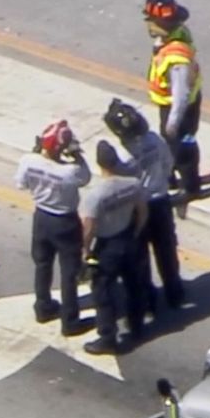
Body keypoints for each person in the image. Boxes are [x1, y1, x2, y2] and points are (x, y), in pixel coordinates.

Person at [103, 98, 186, 310]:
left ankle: (149, 299)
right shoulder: (154, 140)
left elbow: (117, 184)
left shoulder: (121, 156)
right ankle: (174, 292)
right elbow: (168, 164)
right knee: (166, 250)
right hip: (160, 202)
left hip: (136, 209)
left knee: (140, 256)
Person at [14, 120, 91, 336]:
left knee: (42, 264)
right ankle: (70, 320)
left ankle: (43, 306)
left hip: (41, 217)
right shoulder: (70, 172)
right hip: (65, 221)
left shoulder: (28, 162)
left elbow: (20, 184)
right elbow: (86, 176)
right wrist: (77, 155)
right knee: (69, 273)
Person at [79, 141, 149, 355]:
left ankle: (108, 337)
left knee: (103, 292)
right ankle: (136, 325)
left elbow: (88, 228)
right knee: (133, 285)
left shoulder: (95, 195)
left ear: (99, 164)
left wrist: (86, 251)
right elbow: (143, 211)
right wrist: (135, 233)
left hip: (107, 245)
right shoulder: (132, 184)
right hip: (128, 238)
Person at [143, 0, 203, 198]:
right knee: (169, 145)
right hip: (169, 105)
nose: (148, 24)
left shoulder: (177, 58)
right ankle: (169, 177)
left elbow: (181, 94)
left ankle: (190, 187)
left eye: (151, 20)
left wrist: (174, 121)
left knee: (183, 147)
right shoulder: (173, 36)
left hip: (181, 109)